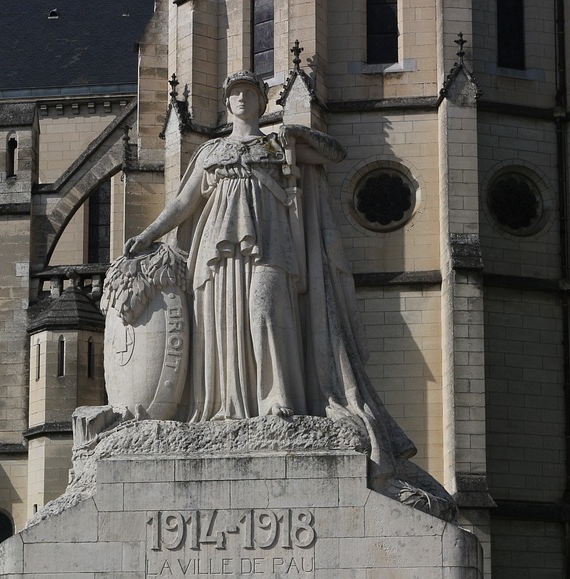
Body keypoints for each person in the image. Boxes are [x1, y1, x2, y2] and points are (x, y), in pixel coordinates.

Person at [125, 70, 452, 518]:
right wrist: (147, 235)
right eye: (234, 95)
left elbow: (335, 153)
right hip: (216, 253)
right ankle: (226, 408)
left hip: (270, 243)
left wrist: (297, 134)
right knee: (222, 326)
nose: (240, 101)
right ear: (227, 104)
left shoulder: (277, 145)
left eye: (248, 94)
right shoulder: (211, 151)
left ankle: (277, 398)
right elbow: (181, 205)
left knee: (265, 310)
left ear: (262, 102)